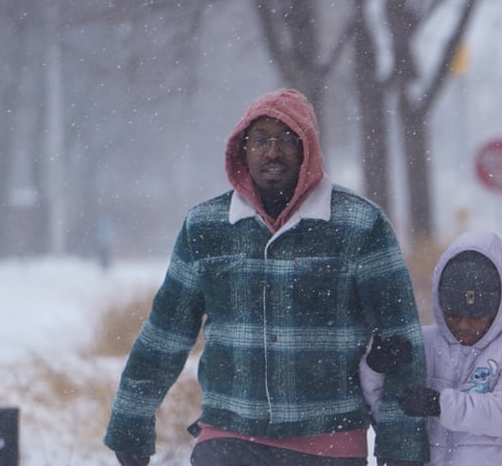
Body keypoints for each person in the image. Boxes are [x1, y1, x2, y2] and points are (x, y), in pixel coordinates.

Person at [104, 88, 429, 466]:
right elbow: (165, 334)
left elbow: (400, 337)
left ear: (308, 150)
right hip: (229, 436)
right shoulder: (205, 227)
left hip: (328, 441)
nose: (272, 152)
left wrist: (402, 443)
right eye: (259, 141)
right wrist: (131, 420)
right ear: (241, 150)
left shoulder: (360, 225)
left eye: (286, 140)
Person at [360, 230, 502, 466]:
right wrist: (375, 369)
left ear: (497, 309)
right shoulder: (423, 343)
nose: (464, 325)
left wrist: (439, 404)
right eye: (454, 315)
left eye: (476, 316)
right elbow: (385, 410)